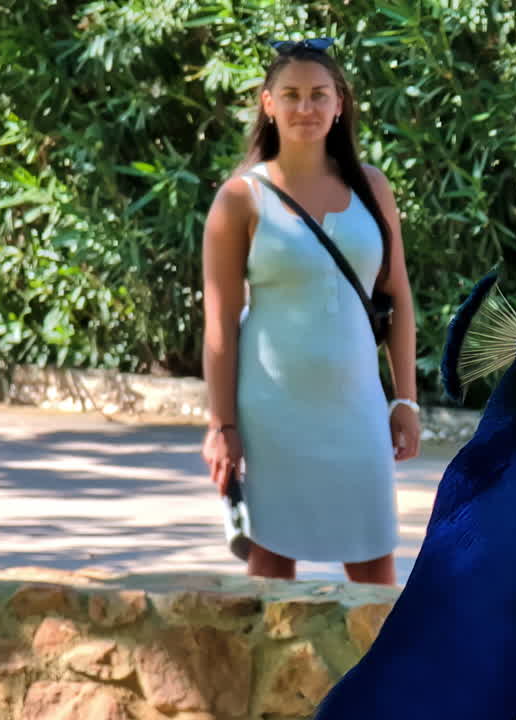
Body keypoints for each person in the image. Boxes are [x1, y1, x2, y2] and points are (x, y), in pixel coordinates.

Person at [200, 37, 420, 584]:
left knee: (373, 569)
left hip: (358, 406)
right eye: (291, 94)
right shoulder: (240, 199)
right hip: (272, 410)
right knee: (271, 568)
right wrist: (222, 423)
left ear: (339, 103)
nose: (306, 107)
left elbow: (399, 297)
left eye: (319, 94)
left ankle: (384, 674)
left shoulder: (372, 187)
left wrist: (406, 400)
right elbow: (220, 327)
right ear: (267, 103)